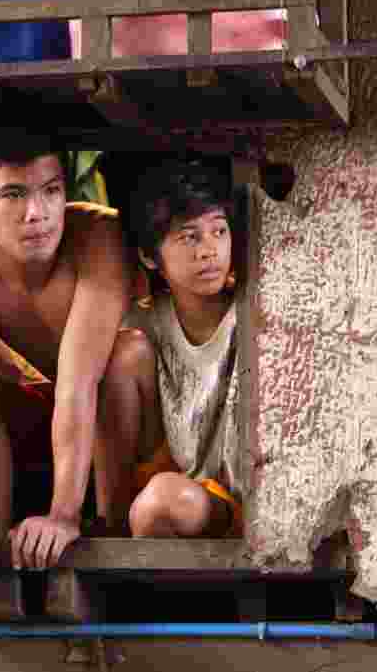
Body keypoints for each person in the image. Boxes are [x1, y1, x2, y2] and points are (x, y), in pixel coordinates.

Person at [0, 121, 140, 570]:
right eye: (13, 195)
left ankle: (110, 529)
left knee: (124, 354)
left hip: (126, 417)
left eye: (52, 191)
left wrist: (62, 514)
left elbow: (79, 383)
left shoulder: (97, 235)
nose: (36, 212)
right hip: (49, 418)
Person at [112, 159, 246, 539]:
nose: (209, 251)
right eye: (189, 237)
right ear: (149, 256)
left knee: (164, 502)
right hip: (180, 489)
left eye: (219, 231)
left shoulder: (252, 309)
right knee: (122, 354)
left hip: (244, 502)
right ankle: (111, 519)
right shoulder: (144, 323)